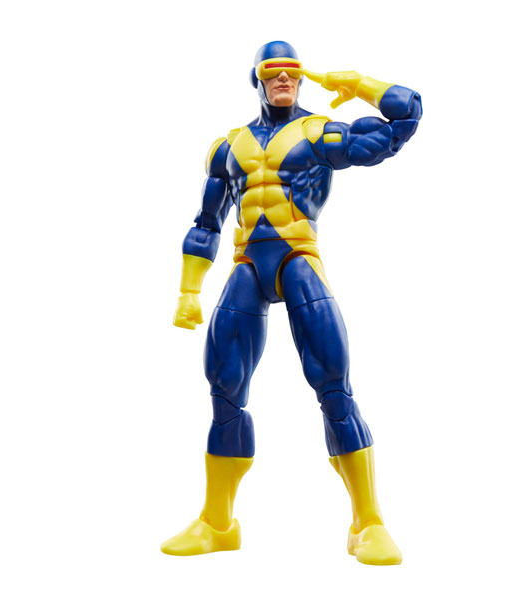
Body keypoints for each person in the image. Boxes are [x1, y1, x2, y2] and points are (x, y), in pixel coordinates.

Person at [161, 40, 422, 565]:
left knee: (332, 383)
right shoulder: (228, 147)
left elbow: (405, 119)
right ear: (257, 78)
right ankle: (218, 523)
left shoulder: (317, 132)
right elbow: (206, 223)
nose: (283, 78)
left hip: (297, 258)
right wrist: (189, 290)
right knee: (224, 386)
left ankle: (368, 522)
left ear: (301, 78)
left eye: (292, 71)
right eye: (273, 70)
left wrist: (359, 83)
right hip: (247, 266)